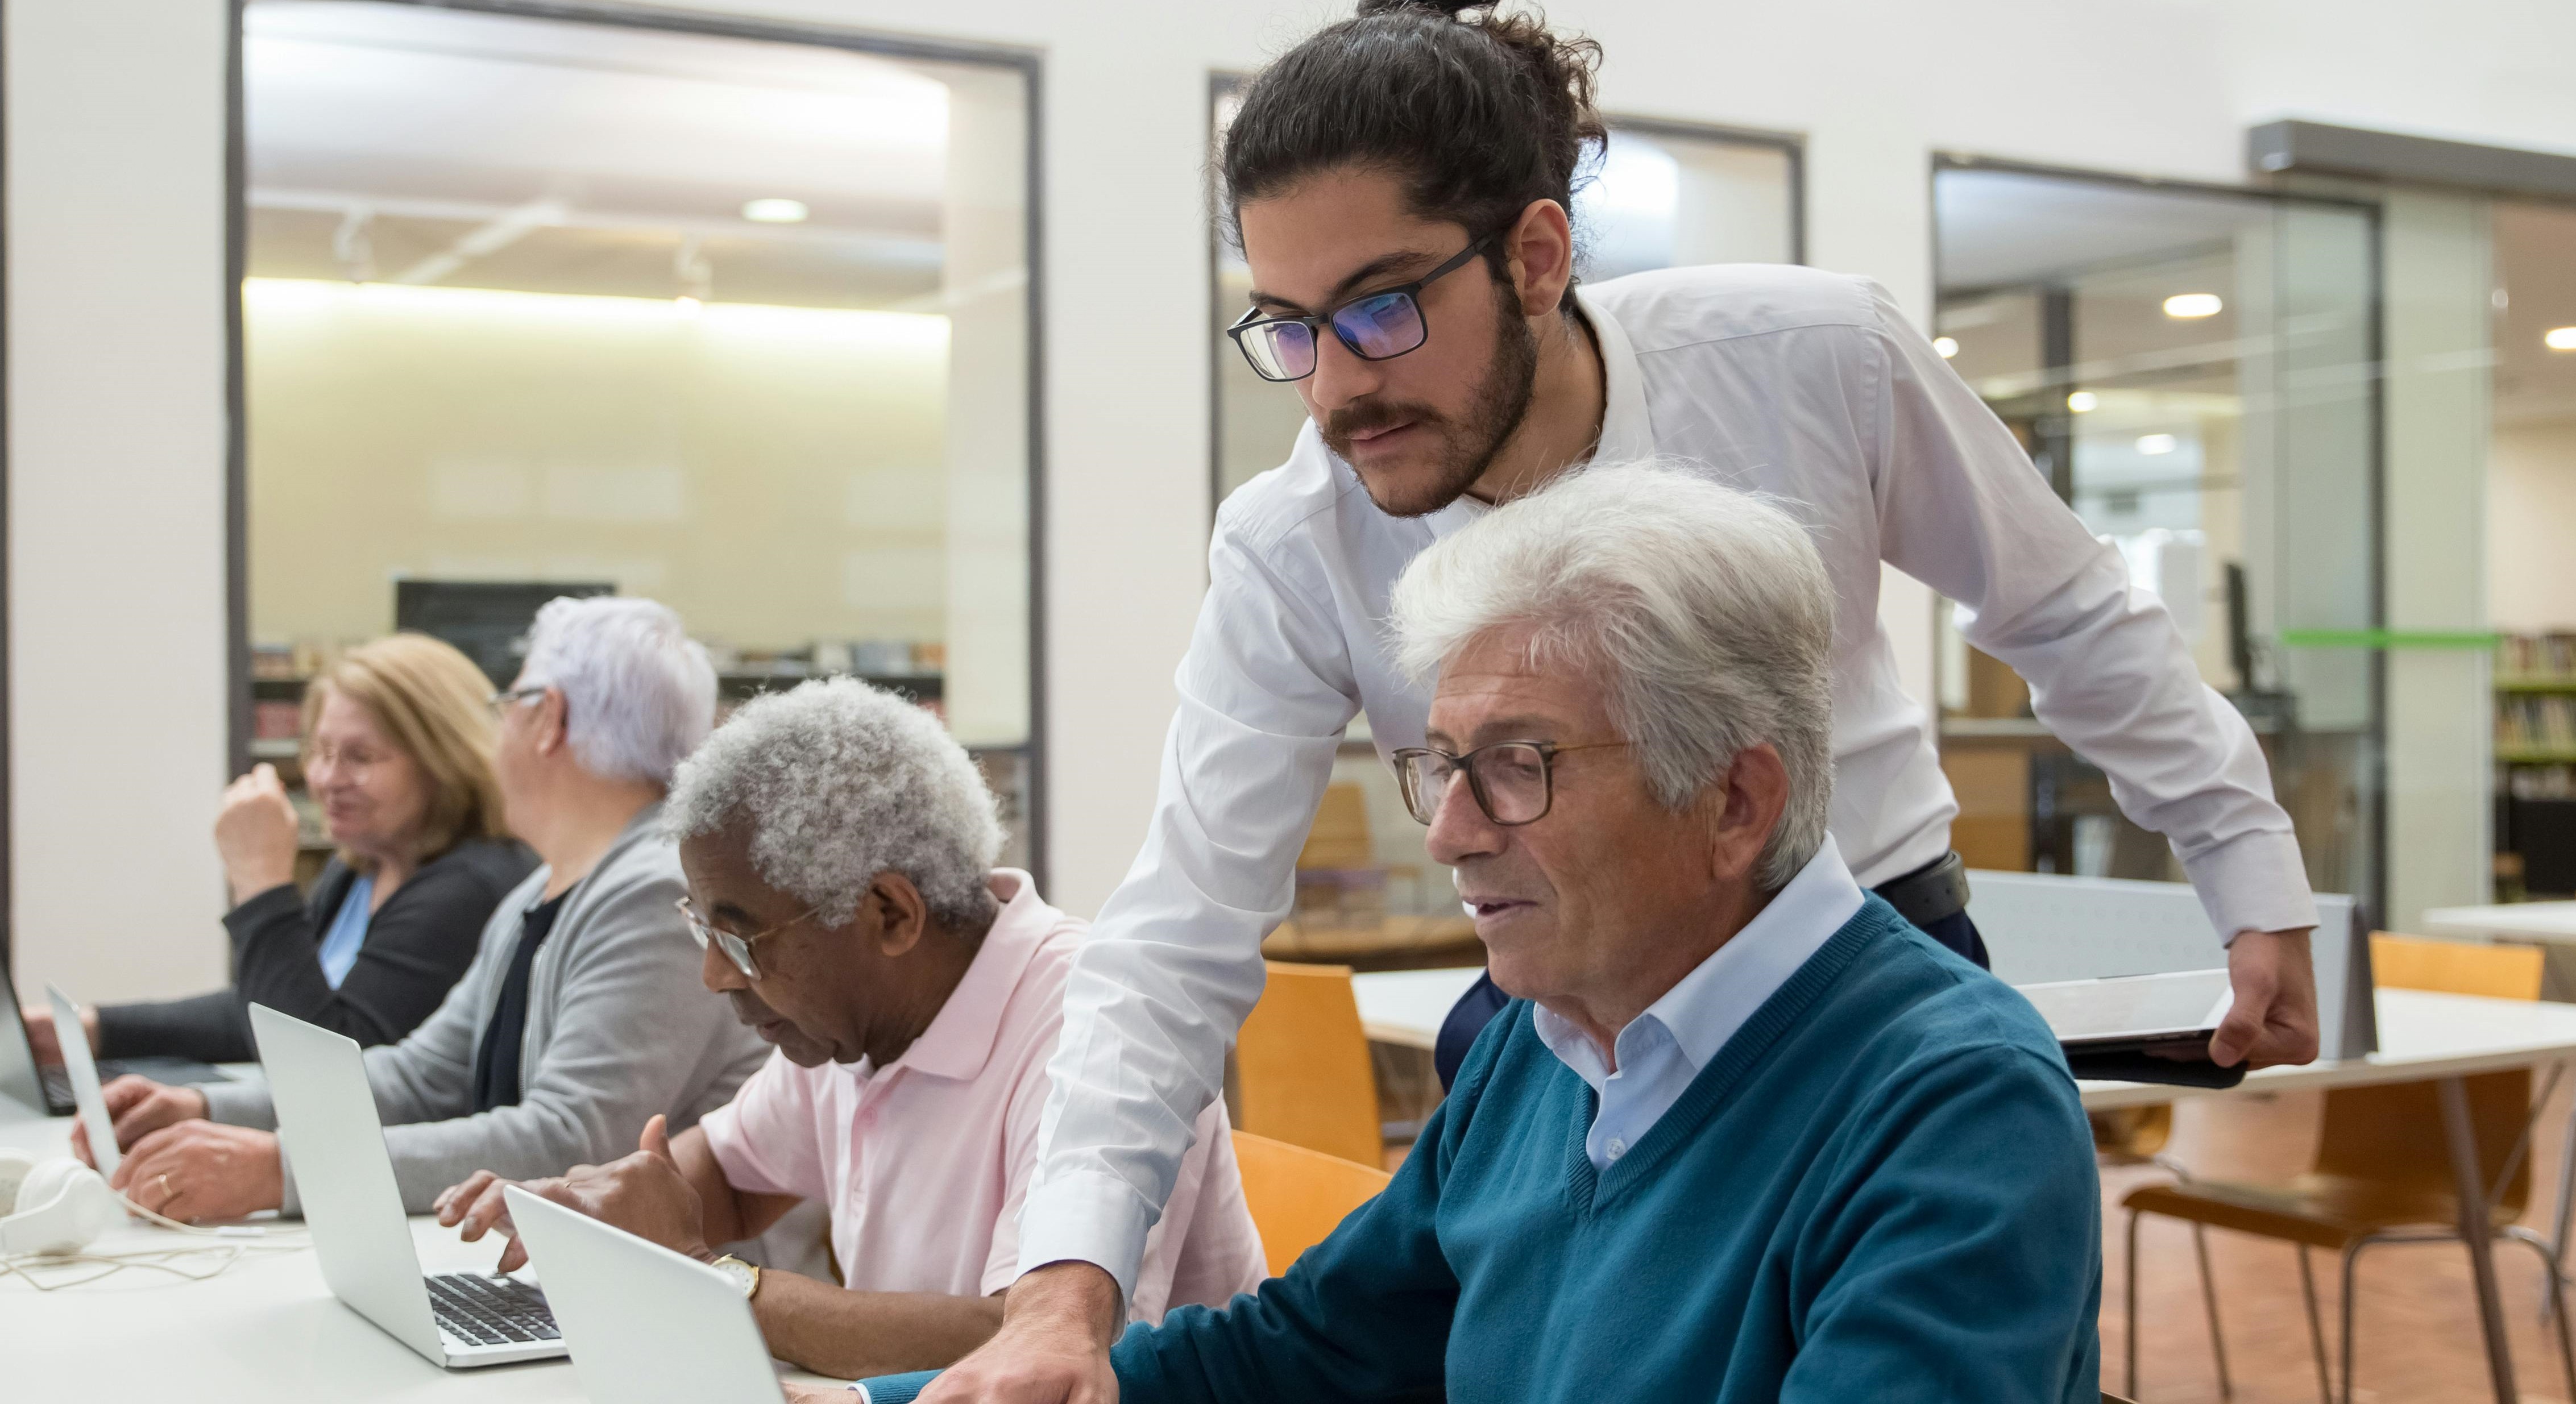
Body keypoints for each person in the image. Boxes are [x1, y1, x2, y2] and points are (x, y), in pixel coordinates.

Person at [935, 6, 2321, 1393]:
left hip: (1859, 964)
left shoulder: (1807, 355)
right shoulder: (1293, 536)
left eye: (1380, 308)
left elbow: (2060, 610)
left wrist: (2246, 872)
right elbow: (1179, 925)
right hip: (1568, 1002)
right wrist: (1063, 1290)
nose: (1337, 388)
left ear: (1534, 257)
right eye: (1289, 328)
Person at [853, 466, 2104, 1403]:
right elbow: (1309, 1351)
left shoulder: (1953, 1103)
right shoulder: (1542, 1044)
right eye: (1443, 766)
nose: (1448, 833)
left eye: (1517, 765)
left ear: (1734, 800)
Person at [434, 679, 1265, 1381]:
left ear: (890, 914)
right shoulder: (848, 1024)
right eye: (701, 929)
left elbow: (1026, 1346)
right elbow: (728, 1178)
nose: (715, 975)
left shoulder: (1093, 1027)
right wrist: (589, 1210)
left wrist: (707, 1276)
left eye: (740, 939)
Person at [84, 597, 815, 1276]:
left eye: (507, 703)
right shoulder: (541, 889)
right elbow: (422, 1077)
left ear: (546, 717)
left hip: (677, 1305)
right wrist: (209, 1110)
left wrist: (280, 1167)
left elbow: (568, 1140)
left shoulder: (654, 893)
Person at [32, 633, 534, 1064]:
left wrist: (261, 880)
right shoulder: (360, 868)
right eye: (321, 751)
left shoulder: (468, 889)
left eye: (360, 757)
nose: (327, 779)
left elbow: (321, 1059)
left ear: (444, 762)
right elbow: (270, 1008)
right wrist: (96, 1029)